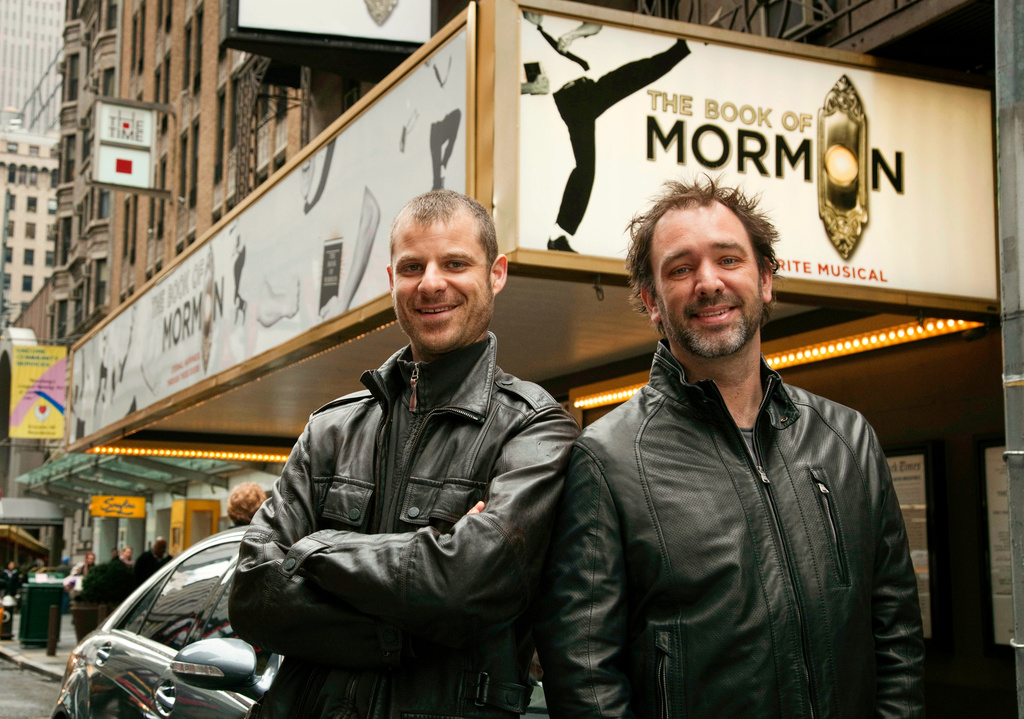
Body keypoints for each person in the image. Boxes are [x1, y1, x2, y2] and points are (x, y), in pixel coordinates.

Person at [534, 177, 924, 718]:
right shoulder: (605, 459)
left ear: (764, 279)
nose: (708, 282)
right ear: (651, 301)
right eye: (680, 268)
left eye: (728, 259)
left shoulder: (848, 438)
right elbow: (587, 676)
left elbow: (897, 636)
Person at [229, 189, 579, 718]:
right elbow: (253, 595)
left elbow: (470, 583)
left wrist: (315, 549)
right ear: (392, 279)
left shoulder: (535, 428)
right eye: (412, 266)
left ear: (497, 273)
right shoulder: (330, 428)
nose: (432, 282)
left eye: (455, 263)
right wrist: (407, 628)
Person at [521, 13, 691, 253]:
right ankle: (680, 50)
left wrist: (571, 35)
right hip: (574, 99)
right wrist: (531, 85)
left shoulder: (546, 32)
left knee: (586, 166)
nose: (537, 13)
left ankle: (559, 234)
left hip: (584, 91)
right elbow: (537, 85)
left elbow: (594, 24)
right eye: (532, 12)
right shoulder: (527, 40)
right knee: (629, 78)